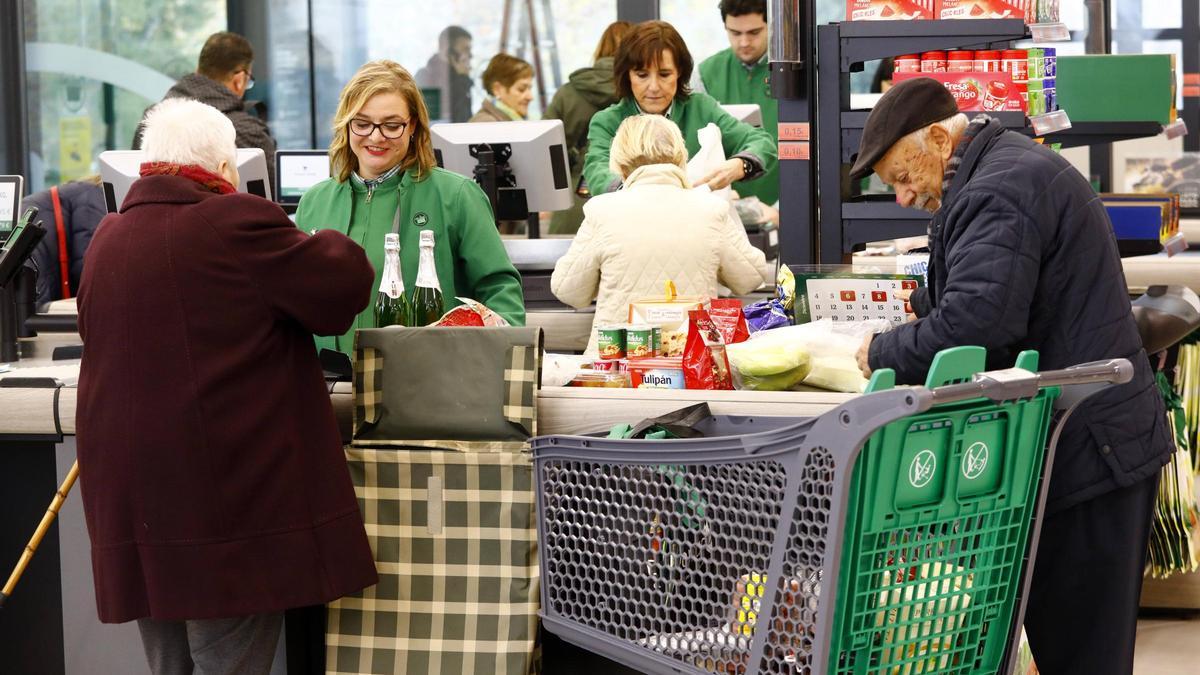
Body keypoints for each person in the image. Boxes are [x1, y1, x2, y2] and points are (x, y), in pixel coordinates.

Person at [849, 77, 1172, 675]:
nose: (902, 195)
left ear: (942, 139)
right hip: (1084, 439)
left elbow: (975, 324)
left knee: (1083, 653)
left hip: (1089, 451)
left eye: (902, 175)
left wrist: (878, 350)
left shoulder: (999, 189)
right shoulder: (994, 174)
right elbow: (964, 294)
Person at [75, 98, 378, 675]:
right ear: (223, 168)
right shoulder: (236, 222)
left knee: (171, 666)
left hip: (134, 504)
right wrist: (320, 232)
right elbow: (341, 289)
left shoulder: (108, 238)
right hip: (223, 507)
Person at [296, 59, 525, 356]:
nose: (375, 136)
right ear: (346, 124)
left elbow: (499, 291)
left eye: (392, 125)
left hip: (428, 384)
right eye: (362, 123)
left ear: (413, 126)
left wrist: (494, 364)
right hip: (327, 384)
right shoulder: (314, 202)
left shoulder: (456, 196)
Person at [551, 115, 768, 356]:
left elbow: (568, 291)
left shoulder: (601, 211)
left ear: (621, 166)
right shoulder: (710, 210)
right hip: (691, 366)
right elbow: (751, 277)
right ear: (680, 159)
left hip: (618, 366)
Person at [583, 20, 777, 199]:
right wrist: (638, 192)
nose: (654, 86)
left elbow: (761, 142)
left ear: (680, 73)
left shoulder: (701, 108)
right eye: (642, 75)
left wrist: (739, 165)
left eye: (664, 74)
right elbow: (596, 170)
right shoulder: (607, 122)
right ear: (627, 76)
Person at [133, 31, 277, 188]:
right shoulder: (249, 132)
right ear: (239, 80)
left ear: (198, 69)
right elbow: (275, 196)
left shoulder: (152, 122)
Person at [543, 20, 631, 235]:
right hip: (628, 202)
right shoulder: (643, 92)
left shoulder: (568, 92)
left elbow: (543, 151)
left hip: (573, 205)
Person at [697, 0, 778, 205]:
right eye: (735, 33)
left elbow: (822, 149)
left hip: (791, 207)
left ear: (771, 25)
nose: (744, 42)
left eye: (753, 32)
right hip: (723, 204)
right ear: (725, 27)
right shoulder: (705, 74)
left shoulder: (798, 70)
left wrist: (783, 211)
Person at [19, 175, 105, 304]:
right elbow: (91, 271)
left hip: (24, 288)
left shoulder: (73, 193)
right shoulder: (93, 194)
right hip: (32, 289)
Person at [416, 25, 475, 122]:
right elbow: (437, 120)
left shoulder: (460, 77)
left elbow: (465, 120)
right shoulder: (426, 76)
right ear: (448, 51)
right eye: (465, 49)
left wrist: (463, 78)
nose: (471, 55)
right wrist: (461, 80)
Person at [470, 53, 534, 122]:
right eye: (521, 89)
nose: (530, 97)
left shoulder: (512, 120)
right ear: (497, 89)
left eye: (530, 89)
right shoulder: (486, 124)